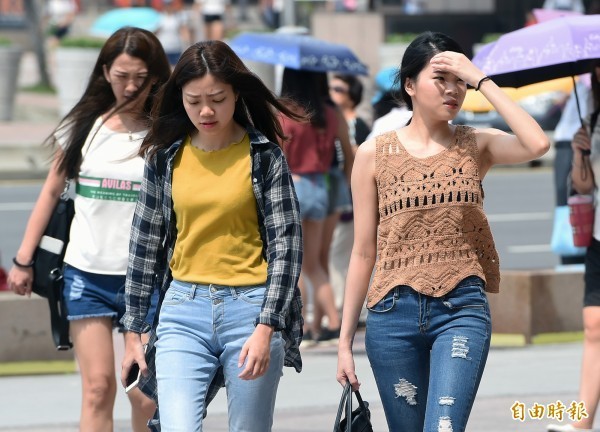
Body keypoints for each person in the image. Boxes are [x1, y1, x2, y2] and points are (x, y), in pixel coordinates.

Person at [336, 31, 549, 432]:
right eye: (441, 78)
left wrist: (481, 78)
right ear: (410, 84)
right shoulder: (372, 154)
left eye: (460, 81)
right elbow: (363, 252)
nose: (453, 89)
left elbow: (537, 143)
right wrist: (345, 343)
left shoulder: (476, 144)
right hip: (390, 316)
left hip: (461, 310)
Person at [119, 40, 304, 431]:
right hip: (183, 309)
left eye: (217, 99)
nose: (206, 111)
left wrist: (267, 325)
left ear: (237, 93)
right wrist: (133, 331)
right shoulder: (165, 158)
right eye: (194, 100)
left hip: (251, 311)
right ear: (179, 98)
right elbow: (144, 245)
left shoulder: (265, 157)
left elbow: (288, 249)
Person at [7, 27, 171, 431]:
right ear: (104, 72)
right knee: (98, 388)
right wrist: (23, 260)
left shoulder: (167, 132)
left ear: (156, 78)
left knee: (146, 394)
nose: (130, 86)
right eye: (121, 76)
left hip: (147, 279)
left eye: (140, 77)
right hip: (86, 273)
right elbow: (50, 192)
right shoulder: (85, 126)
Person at [279, 68, 353, 345]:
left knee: (299, 265)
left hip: (295, 185)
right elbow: (347, 152)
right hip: (322, 185)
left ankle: (328, 322)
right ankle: (315, 324)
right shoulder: (328, 112)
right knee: (318, 260)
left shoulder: (284, 112)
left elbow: (279, 154)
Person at [547, 59, 600, 432]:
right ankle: (582, 423)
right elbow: (585, 187)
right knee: (594, 324)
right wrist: (581, 152)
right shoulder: (593, 120)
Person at [155, 0, 193, 67]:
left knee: (175, 68)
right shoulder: (159, 17)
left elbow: (184, 31)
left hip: (176, 48)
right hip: (164, 48)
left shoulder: (179, 17)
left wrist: (188, 45)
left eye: (170, 4)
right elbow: (155, 32)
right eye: (167, 5)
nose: (168, 6)